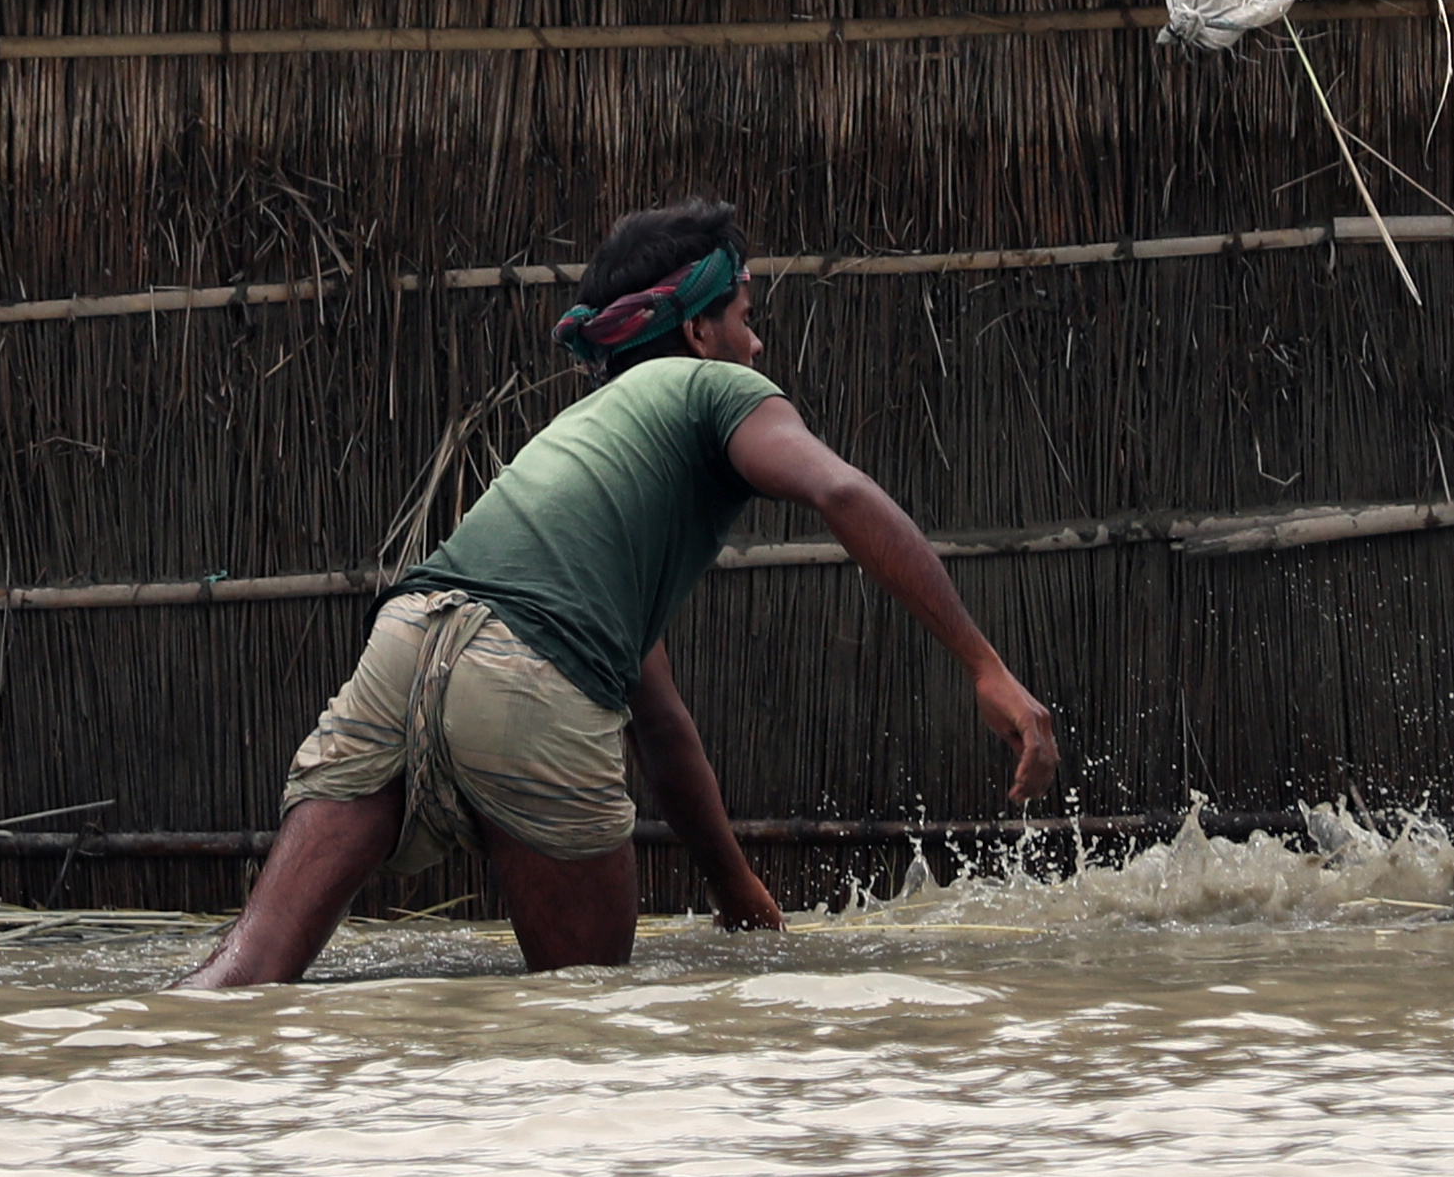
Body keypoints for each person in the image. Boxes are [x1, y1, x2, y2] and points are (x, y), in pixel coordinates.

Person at [180, 198, 1060, 989]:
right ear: (698, 330)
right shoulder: (720, 389)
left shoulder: (581, 450)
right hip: (529, 678)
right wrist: (986, 668)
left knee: (245, 973)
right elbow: (842, 492)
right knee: (586, 1021)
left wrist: (736, 890)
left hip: (408, 637)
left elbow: (663, 726)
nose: (757, 344)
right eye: (746, 320)